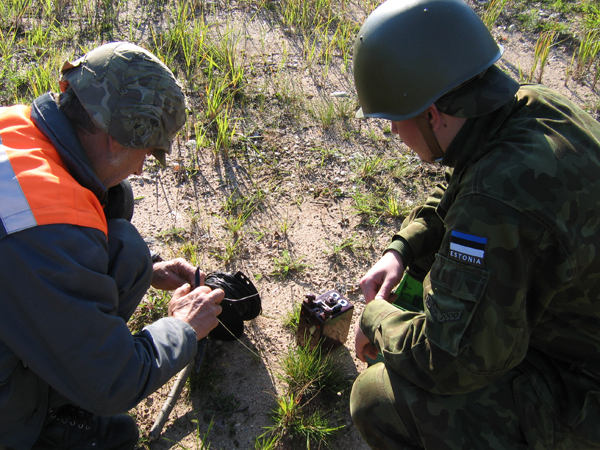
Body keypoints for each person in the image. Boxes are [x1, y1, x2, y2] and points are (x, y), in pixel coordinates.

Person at [349, 0, 600, 449]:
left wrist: (376, 320)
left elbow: (450, 361)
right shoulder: (534, 107)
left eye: (395, 120)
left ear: (431, 115)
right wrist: (402, 249)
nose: (394, 133)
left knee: (376, 399)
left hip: (581, 391)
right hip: (581, 329)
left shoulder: (495, 205)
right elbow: (465, 185)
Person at [0, 42, 224, 450]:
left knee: (126, 247)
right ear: (118, 140)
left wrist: (149, 267)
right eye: (147, 151)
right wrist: (182, 328)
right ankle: (33, 427)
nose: (141, 168)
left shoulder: (17, 130)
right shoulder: (46, 236)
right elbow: (114, 380)